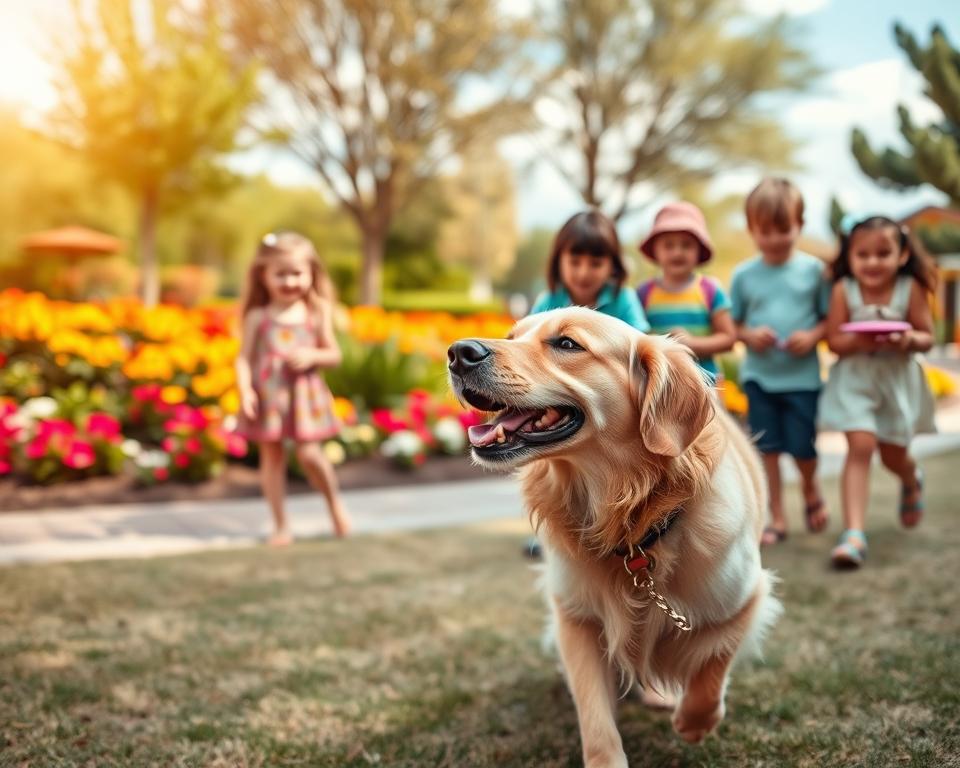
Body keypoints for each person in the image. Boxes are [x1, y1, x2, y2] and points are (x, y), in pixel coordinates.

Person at [524, 209, 650, 559]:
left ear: (613, 266)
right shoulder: (549, 301)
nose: (583, 272)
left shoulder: (622, 300)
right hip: (554, 398)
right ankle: (547, 529)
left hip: (605, 410)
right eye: (574, 261)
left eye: (595, 263)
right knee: (544, 462)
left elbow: (639, 345)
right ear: (558, 262)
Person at [819, 215, 938, 568]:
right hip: (856, 380)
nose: (872, 262)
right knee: (861, 446)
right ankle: (854, 534)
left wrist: (908, 339)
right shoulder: (843, 290)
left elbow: (927, 337)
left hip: (896, 381)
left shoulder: (909, 288)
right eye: (863, 254)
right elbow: (834, 341)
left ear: (902, 255)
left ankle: (911, 478)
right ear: (850, 256)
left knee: (892, 455)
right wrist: (859, 340)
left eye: (883, 253)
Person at [730, 178, 831, 546]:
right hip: (760, 377)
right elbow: (733, 325)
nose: (774, 239)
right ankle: (776, 516)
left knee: (803, 448)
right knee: (767, 450)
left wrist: (814, 335)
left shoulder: (815, 272)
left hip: (802, 379)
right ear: (752, 229)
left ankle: (810, 486)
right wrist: (749, 334)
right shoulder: (744, 276)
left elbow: (829, 319)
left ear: (799, 225)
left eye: (783, 229)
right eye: (765, 231)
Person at [235, 232, 351, 546]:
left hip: (304, 397)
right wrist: (245, 390)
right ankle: (281, 525)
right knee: (272, 459)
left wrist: (313, 356)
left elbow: (334, 354)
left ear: (311, 272)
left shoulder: (316, 311)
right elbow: (243, 359)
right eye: (281, 274)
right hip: (268, 398)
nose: (290, 281)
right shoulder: (257, 317)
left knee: (310, 455)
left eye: (297, 273)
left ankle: (334, 504)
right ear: (263, 275)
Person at [636, 201, 736, 378]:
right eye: (669, 245)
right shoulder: (643, 294)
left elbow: (728, 339)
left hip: (705, 382)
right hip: (660, 383)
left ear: (699, 249)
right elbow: (636, 338)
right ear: (655, 250)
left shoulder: (710, 290)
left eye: (686, 245)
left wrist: (692, 344)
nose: (677, 252)